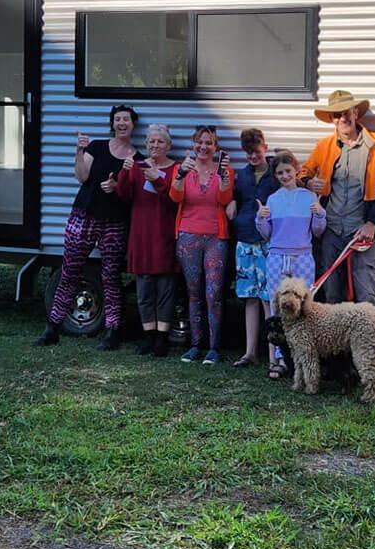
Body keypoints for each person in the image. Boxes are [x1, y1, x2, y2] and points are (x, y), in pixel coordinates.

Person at [35, 104, 143, 349]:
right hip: (84, 215)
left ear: (133, 124)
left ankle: (112, 331)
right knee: (70, 271)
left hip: (115, 221)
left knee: (110, 276)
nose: (122, 123)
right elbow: (82, 177)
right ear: (112, 124)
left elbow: (133, 194)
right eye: (118, 119)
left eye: (126, 119)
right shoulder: (96, 146)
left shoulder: (136, 159)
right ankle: (52, 327)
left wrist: (117, 188)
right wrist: (79, 150)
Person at [299, 89, 375, 308]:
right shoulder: (324, 146)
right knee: (331, 295)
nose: (342, 118)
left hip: (360, 230)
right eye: (336, 114)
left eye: (346, 112)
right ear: (332, 120)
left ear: (355, 113)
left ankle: (370, 342)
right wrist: (307, 183)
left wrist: (372, 224)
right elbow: (302, 173)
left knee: (367, 296)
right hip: (330, 229)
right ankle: (337, 342)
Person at [256, 150, 326, 378]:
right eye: (279, 173)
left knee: (304, 305)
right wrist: (261, 218)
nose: (285, 176)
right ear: (275, 176)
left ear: (296, 170)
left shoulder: (309, 197)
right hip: (277, 257)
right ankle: (279, 357)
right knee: (278, 306)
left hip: (303, 256)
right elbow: (267, 235)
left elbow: (317, 232)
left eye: (288, 171)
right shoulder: (273, 199)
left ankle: (304, 354)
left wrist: (320, 214)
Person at [170, 125, 234, 364]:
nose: (204, 147)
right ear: (193, 144)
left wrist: (225, 178)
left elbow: (224, 199)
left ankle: (214, 346)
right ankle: (196, 344)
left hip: (215, 237)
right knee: (193, 292)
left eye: (209, 143)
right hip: (188, 236)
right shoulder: (182, 168)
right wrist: (179, 176)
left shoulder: (225, 170)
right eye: (200, 142)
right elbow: (175, 197)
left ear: (215, 147)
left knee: (214, 292)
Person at [116, 123, 179, 357]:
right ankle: (148, 336)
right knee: (144, 291)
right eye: (151, 141)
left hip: (164, 234)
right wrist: (124, 172)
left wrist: (157, 180)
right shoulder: (138, 166)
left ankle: (162, 338)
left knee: (165, 289)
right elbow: (124, 195)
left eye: (160, 141)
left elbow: (174, 199)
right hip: (141, 235)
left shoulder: (176, 169)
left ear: (168, 145)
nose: (155, 145)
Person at [225, 128, 278, 368]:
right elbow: (235, 193)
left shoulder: (275, 173)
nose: (253, 157)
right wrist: (233, 201)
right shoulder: (243, 175)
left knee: (269, 298)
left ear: (264, 147)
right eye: (248, 154)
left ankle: (273, 353)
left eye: (256, 152)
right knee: (250, 297)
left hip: (268, 241)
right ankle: (249, 352)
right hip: (245, 240)